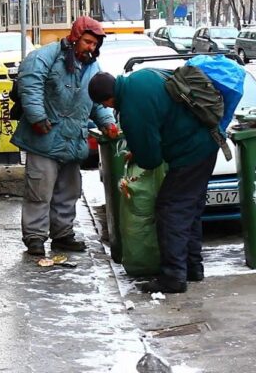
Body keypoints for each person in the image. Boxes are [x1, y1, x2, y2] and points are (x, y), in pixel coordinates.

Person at [88, 70, 219, 294]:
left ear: (107, 99)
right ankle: (192, 267)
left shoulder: (130, 108)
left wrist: (139, 152)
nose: (109, 109)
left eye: (106, 105)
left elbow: (151, 159)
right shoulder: (142, 77)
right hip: (207, 142)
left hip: (191, 152)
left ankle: (174, 276)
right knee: (189, 208)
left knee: (171, 209)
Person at [11, 16, 117, 257]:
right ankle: (35, 237)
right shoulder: (43, 57)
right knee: (39, 191)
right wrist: (37, 117)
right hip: (44, 140)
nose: (91, 48)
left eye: (95, 44)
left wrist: (108, 123)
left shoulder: (92, 67)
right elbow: (30, 86)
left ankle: (62, 235)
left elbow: (96, 100)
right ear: (74, 38)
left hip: (71, 141)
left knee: (68, 192)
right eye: (88, 42)